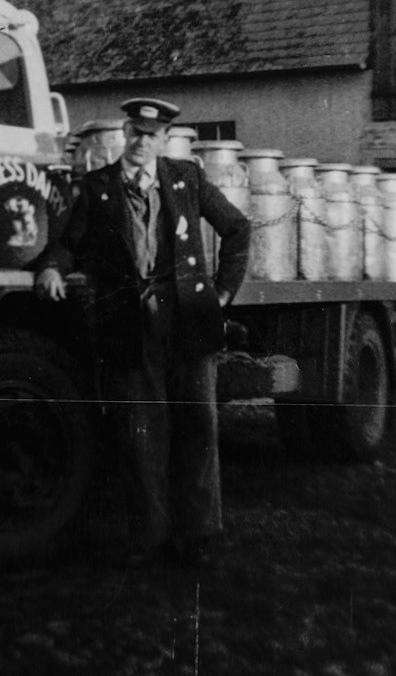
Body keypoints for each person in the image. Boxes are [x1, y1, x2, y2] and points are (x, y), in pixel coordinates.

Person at [35, 98, 251, 566]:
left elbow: (237, 228)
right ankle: (149, 537)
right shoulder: (98, 187)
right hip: (130, 326)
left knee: (199, 425)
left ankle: (196, 536)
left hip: (188, 320)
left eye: (151, 135)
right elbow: (69, 243)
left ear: (163, 139)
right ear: (125, 134)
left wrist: (224, 291)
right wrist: (52, 269)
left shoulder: (187, 179)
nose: (141, 142)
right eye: (135, 132)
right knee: (141, 433)